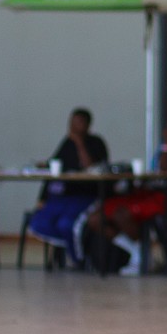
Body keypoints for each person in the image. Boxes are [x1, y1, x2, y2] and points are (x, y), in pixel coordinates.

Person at [26, 107, 111, 268]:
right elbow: (54, 170)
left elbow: (92, 168)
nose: (73, 126)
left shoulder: (96, 143)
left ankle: (78, 259)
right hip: (64, 197)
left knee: (66, 224)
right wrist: (42, 198)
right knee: (39, 221)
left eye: (78, 123)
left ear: (88, 125)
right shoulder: (67, 143)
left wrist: (79, 143)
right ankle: (67, 247)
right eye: (71, 122)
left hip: (86, 196)